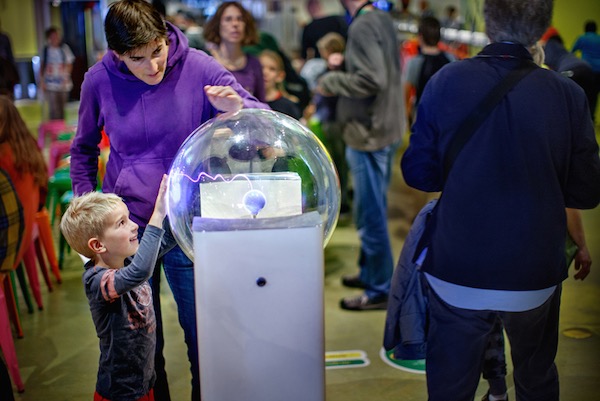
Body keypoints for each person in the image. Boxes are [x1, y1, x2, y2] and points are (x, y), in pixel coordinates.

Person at [401, 0, 600, 400]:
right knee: (536, 372)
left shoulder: (445, 81)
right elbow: (586, 191)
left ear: (487, 24)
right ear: (543, 28)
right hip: (534, 270)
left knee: (451, 383)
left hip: (458, 267)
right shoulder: (567, 94)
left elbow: (419, 173)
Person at [69, 1, 267, 400]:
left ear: (165, 35)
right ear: (117, 54)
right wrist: (88, 218)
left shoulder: (199, 65)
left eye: (157, 51)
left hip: (188, 224)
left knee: (204, 335)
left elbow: (266, 117)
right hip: (129, 231)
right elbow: (83, 151)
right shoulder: (98, 80)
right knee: (141, 346)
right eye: (137, 59)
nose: (153, 67)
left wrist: (237, 109)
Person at [318, 0, 404, 311]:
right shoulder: (379, 18)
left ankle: (379, 288)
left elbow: (372, 79)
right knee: (372, 208)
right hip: (382, 127)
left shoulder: (365, 24)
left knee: (370, 214)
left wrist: (330, 80)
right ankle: (371, 273)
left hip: (369, 133)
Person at [60, 176, 174, 401]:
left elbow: (166, 240)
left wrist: (181, 211)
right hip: (120, 392)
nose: (133, 226)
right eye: (121, 223)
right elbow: (141, 272)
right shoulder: (97, 281)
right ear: (98, 245)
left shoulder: (128, 262)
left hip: (144, 383)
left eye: (129, 218)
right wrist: (157, 214)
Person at [0, 95, 48, 271]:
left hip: (9, 243)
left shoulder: (3, 155)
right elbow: (44, 190)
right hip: (27, 227)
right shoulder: (29, 145)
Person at [203, 2, 266, 102]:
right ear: (218, 25)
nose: (235, 24)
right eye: (228, 19)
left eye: (240, 19)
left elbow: (261, 106)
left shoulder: (254, 63)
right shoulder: (206, 63)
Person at [404, 16, 455, 125]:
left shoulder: (415, 62)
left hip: (422, 116)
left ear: (420, 36)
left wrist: (408, 113)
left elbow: (407, 92)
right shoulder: (450, 59)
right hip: (445, 115)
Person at [542, 30, 597, 120]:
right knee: (587, 103)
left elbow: (548, 60)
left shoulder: (550, 45)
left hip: (571, 70)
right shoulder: (562, 48)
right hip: (588, 69)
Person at [39, 26, 75, 120]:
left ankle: (63, 129)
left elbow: (69, 63)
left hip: (63, 83)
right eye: (52, 36)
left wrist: (66, 76)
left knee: (63, 108)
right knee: (53, 110)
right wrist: (42, 81)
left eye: (56, 36)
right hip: (50, 84)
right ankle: (55, 130)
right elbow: (42, 66)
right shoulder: (46, 50)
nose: (55, 38)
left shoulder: (64, 49)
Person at [259, 49, 302, 120]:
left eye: (272, 69)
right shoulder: (248, 101)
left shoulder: (288, 106)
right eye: (261, 67)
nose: (265, 72)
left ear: (280, 76)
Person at [572, 20, 600, 120]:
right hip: (598, 72)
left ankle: (584, 118)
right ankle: (591, 118)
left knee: (584, 94)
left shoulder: (582, 38)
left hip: (586, 71)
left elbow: (572, 52)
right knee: (594, 95)